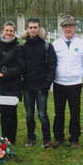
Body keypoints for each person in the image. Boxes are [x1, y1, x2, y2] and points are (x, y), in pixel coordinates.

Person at [52, 15, 83, 149]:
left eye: (70, 26)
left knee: (75, 112)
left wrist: (77, 75)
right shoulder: (56, 44)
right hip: (59, 83)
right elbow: (53, 62)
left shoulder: (81, 44)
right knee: (59, 111)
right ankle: (58, 137)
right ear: (62, 28)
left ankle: (74, 138)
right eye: (65, 26)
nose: (68, 29)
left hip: (75, 84)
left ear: (75, 28)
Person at [22, 18, 57, 148]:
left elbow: (52, 67)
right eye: (30, 27)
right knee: (29, 114)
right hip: (27, 86)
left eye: (35, 27)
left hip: (41, 86)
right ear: (27, 29)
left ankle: (46, 139)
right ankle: (31, 138)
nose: (32, 30)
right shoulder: (24, 46)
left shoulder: (47, 46)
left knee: (42, 114)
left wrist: (45, 85)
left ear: (39, 28)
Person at [0, 21, 24, 144]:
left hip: (12, 83)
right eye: (6, 30)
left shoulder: (18, 48)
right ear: (3, 31)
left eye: (11, 31)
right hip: (0, 84)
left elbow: (20, 67)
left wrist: (5, 74)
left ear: (14, 33)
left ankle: (12, 138)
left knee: (11, 113)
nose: (8, 33)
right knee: (3, 112)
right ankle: (4, 137)